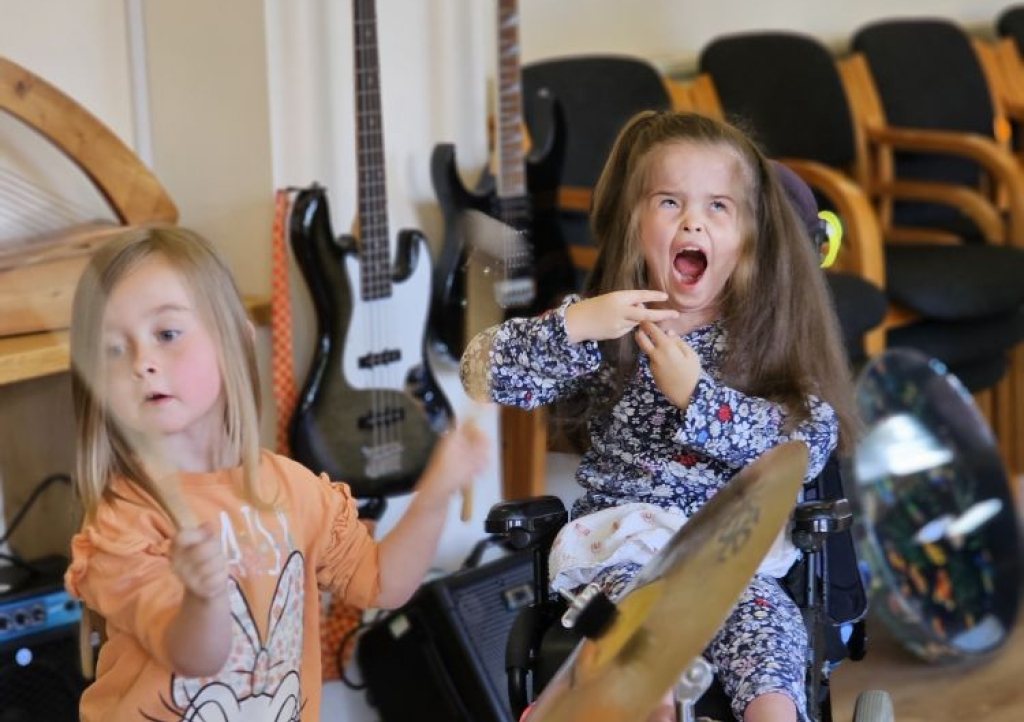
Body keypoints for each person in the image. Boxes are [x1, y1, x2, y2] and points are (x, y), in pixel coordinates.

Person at [460, 111, 858, 722]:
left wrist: (698, 398)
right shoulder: (609, 324)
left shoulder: (765, 338)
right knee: (646, 679)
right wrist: (576, 324)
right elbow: (480, 372)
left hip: (735, 564)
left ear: (749, 235)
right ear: (636, 224)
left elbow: (806, 443)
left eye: (718, 206)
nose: (693, 221)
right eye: (670, 202)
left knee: (773, 678)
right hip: (625, 558)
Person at [63, 225, 490, 722]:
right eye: (114, 349)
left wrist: (434, 495)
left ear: (237, 339)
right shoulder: (124, 522)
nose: (143, 363)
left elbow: (383, 584)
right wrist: (203, 597)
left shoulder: (294, 490)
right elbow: (195, 657)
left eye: (167, 333)